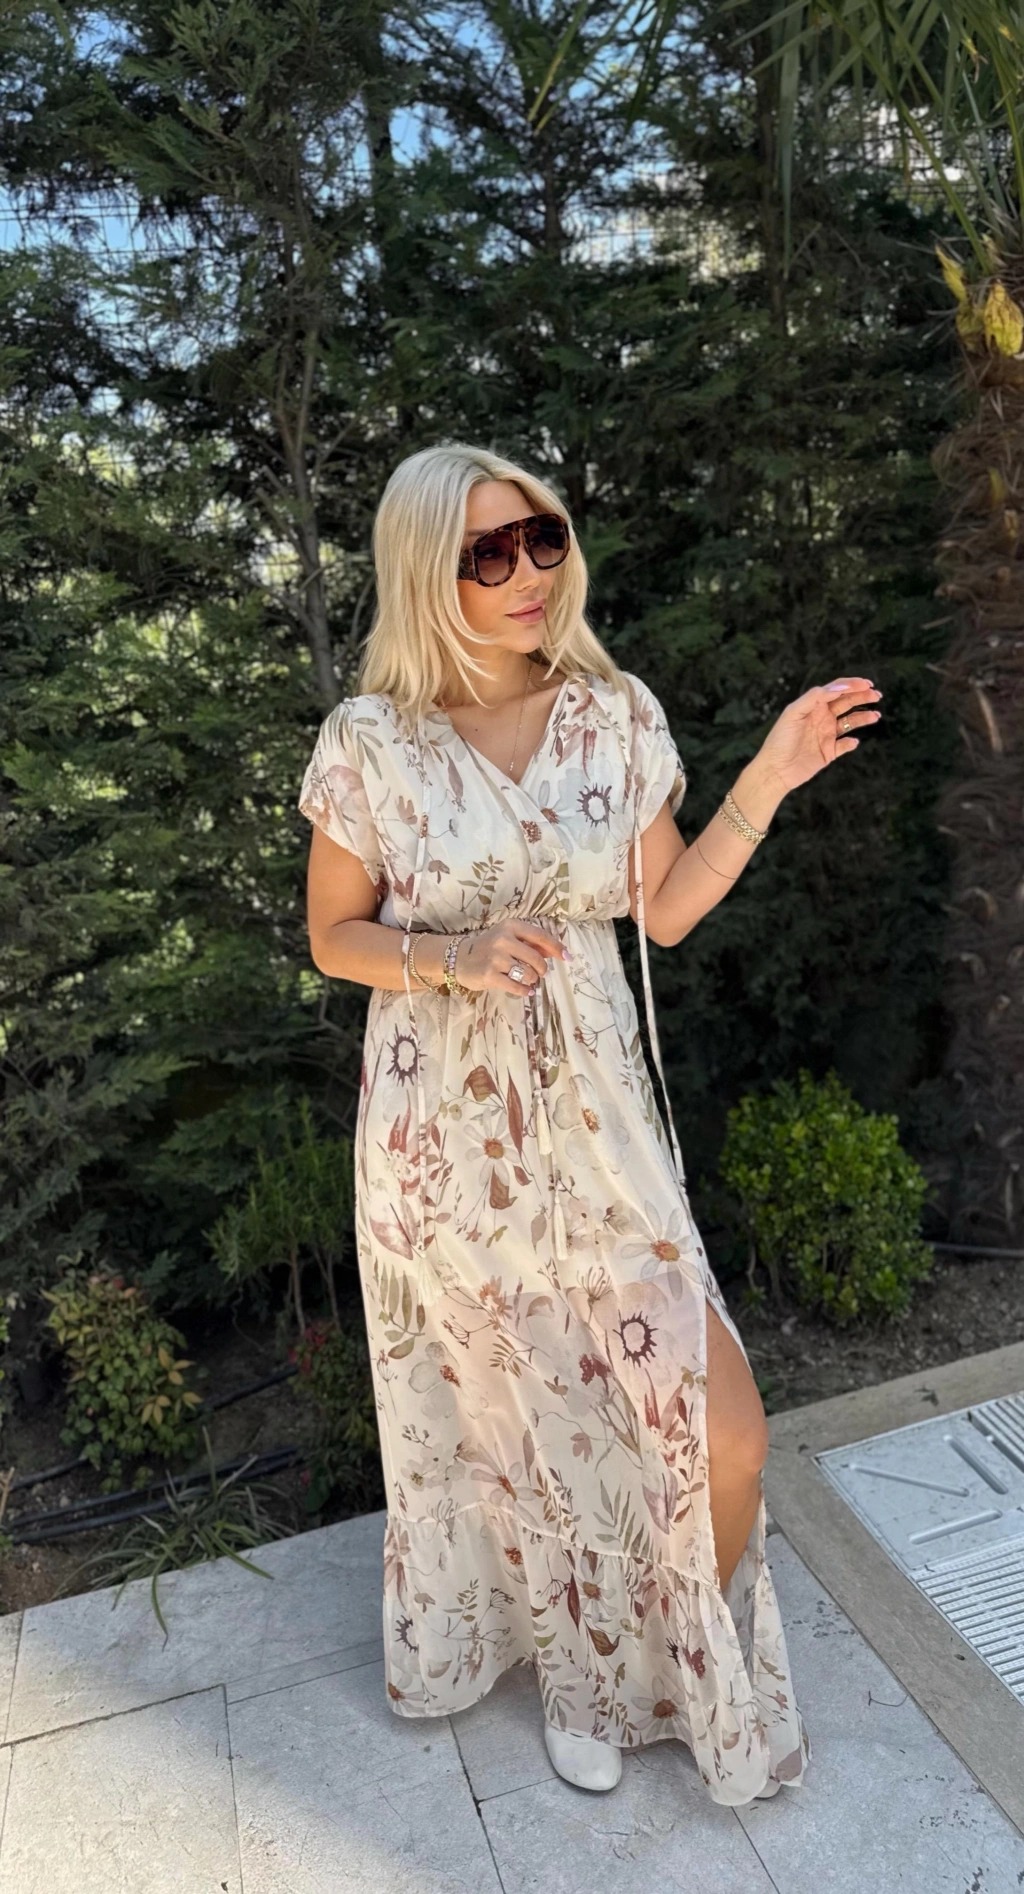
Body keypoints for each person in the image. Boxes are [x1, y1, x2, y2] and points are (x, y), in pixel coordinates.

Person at [298, 440, 882, 1804]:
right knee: (517, 1434)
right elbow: (332, 936)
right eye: (486, 553)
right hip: (445, 1152)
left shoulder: (613, 715)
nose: (526, 572)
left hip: (603, 1134)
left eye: (541, 538)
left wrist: (767, 778)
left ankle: (679, 1652)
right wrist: (450, 956)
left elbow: (663, 911)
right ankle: (584, 1681)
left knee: (725, 1430)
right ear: (426, 575)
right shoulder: (371, 742)